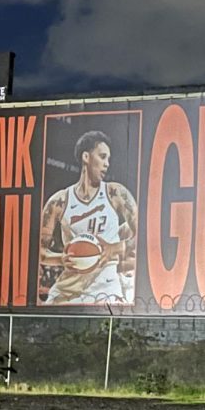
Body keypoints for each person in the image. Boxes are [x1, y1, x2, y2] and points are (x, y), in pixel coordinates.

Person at [39, 130, 138, 305]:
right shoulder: (59, 201)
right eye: (102, 157)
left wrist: (113, 248)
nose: (107, 164)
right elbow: (38, 252)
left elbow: (144, 235)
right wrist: (61, 259)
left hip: (106, 286)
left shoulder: (116, 193)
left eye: (108, 159)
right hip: (70, 287)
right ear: (86, 156)